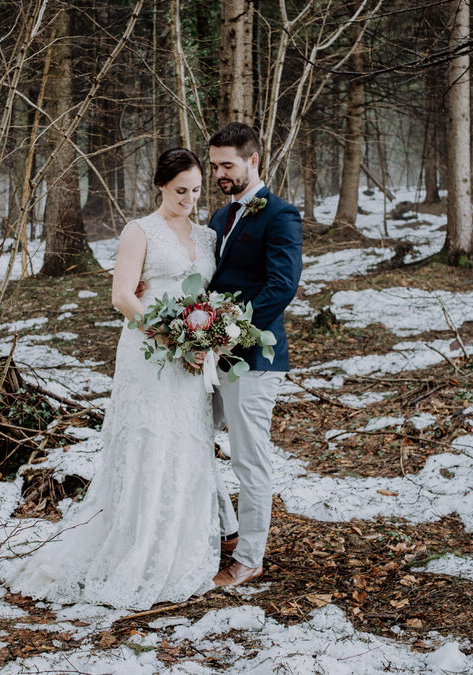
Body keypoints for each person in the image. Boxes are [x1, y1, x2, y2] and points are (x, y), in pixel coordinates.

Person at [2, 148, 219, 610]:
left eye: (196, 191)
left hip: (192, 359)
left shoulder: (208, 235)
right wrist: (173, 338)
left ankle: (179, 548)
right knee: (149, 441)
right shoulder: (139, 231)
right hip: (150, 353)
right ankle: (132, 547)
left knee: (185, 443)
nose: (189, 199)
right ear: (161, 185)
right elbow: (122, 296)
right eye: (181, 191)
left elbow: (209, 295)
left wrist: (207, 340)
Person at [206, 122, 303, 588]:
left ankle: (249, 556)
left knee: (248, 458)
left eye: (228, 165)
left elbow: (281, 287)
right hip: (210, 357)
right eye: (215, 166)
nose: (220, 174)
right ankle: (221, 528)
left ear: (253, 160)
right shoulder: (219, 219)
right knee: (191, 441)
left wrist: (233, 334)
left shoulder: (280, 215)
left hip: (256, 360)